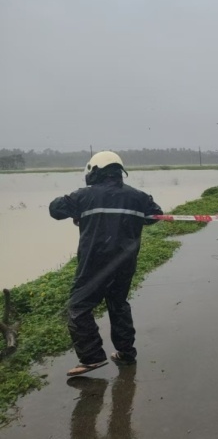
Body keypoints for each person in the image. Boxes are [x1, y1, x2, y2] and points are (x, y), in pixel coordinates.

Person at [50, 151, 163, 376]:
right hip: (125, 261)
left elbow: (55, 209)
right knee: (118, 304)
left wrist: (81, 212)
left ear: (95, 170)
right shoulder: (138, 196)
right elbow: (155, 216)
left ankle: (92, 357)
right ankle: (126, 352)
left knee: (78, 307)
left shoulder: (83, 196)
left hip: (95, 262)